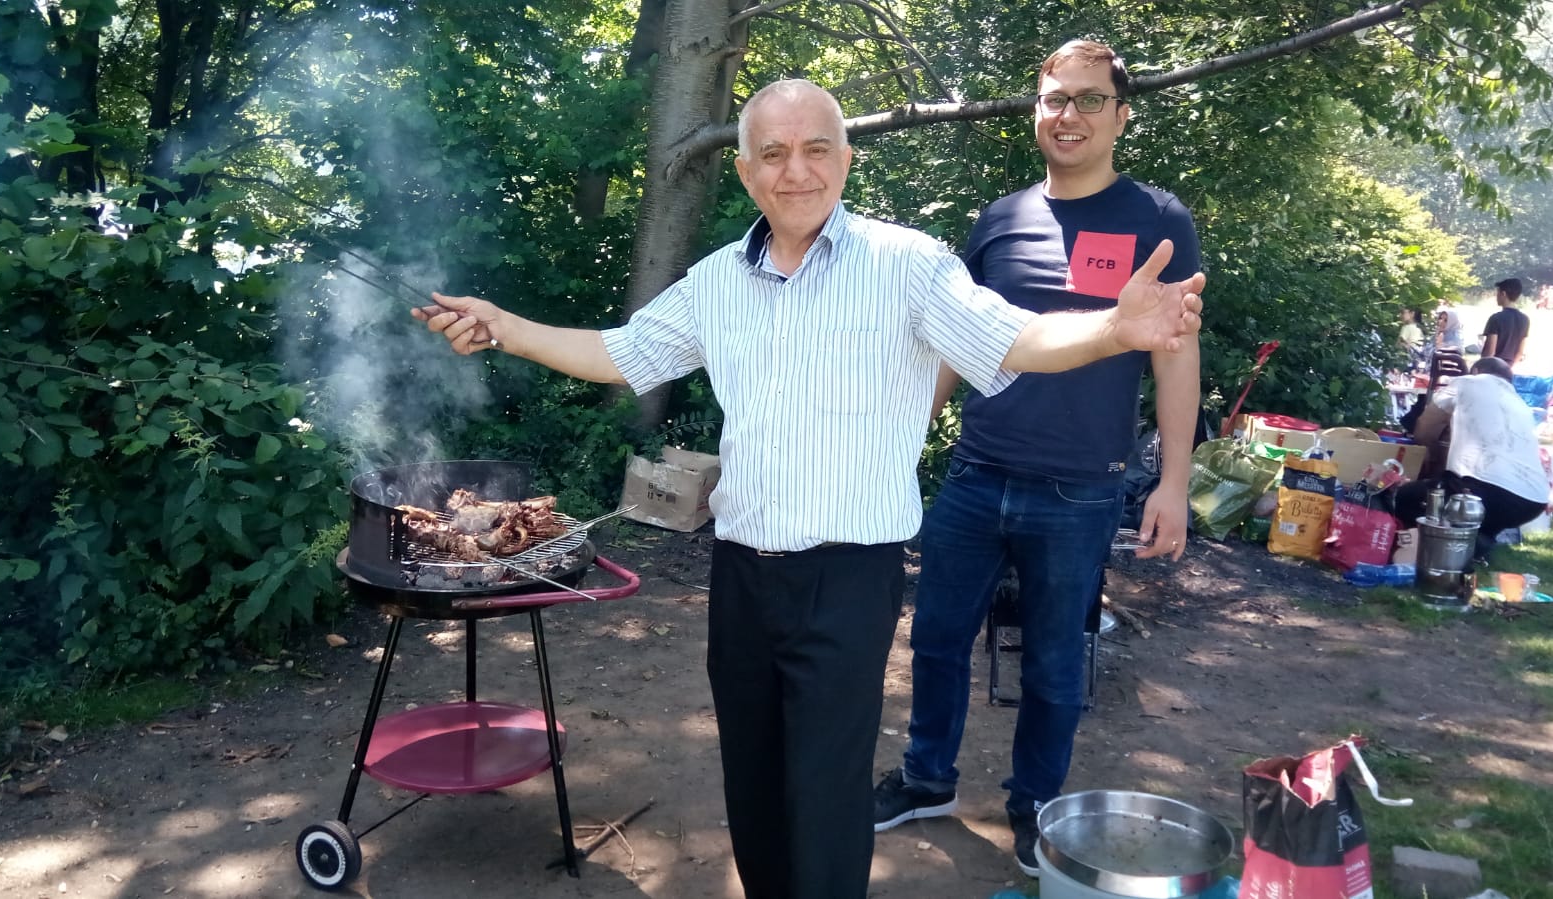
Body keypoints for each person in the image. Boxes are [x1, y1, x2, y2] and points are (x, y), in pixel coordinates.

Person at [411, 79, 1204, 899]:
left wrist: (1112, 328)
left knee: (824, 795)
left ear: (846, 161)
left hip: (846, 579)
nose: (796, 171)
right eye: (773, 153)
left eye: (815, 149)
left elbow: (1018, 338)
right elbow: (620, 353)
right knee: (752, 783)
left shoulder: (906, 265)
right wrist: (505, 327)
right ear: (746, 172)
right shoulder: (716, 280)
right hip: (741, 577)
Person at [871, 40, 1202, 877]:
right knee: (935, 638)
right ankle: (925, 778)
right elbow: (956, 340)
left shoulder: (1157, 221)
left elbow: (1175, 355)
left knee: (1055, 665)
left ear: (1120, 116)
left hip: (1080, 489)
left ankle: (1033, 808)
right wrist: (901, 438)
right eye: (1055, 98)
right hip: (976, 472)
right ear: (1035, 112)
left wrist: (1172, 481)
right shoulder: (999, 219)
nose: (1069, 115)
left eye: (1089, 99)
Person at [1395, 357, 1549, 559]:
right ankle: (1479, 541)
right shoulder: (1520, 404)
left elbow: (1426, 426)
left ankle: (1440, 545)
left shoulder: (1466, 382)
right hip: (1533, 501)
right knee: (1479, 515)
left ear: (1475, 371)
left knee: (1405, 497)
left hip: (1484, 490)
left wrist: (1429, 453)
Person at [1482, 277, 1530, 367]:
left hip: (1493, 367)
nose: (1496, 297)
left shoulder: (1496, 318)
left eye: (1497, 293)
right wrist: (1509, 368)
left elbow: (1490, 352)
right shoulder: (1525, 319)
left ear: (1503, 294)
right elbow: (1520, 352)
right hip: (1509, 367)